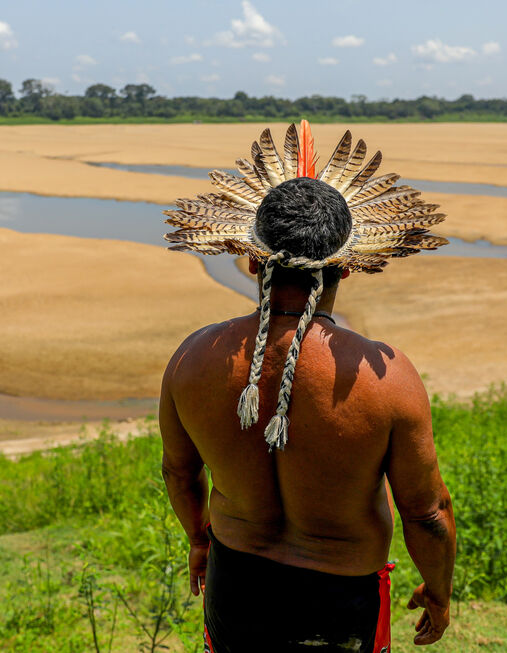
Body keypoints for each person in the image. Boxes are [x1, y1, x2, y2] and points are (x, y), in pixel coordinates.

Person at [160, 122, 456, 652]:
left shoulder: (191, 360)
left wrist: (199, 542)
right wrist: (438, 592)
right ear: (348, 263)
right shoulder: (387, 378)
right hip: (342, 598)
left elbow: (180, 473)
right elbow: (427, 512)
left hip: (236, 581)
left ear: (251, 259)